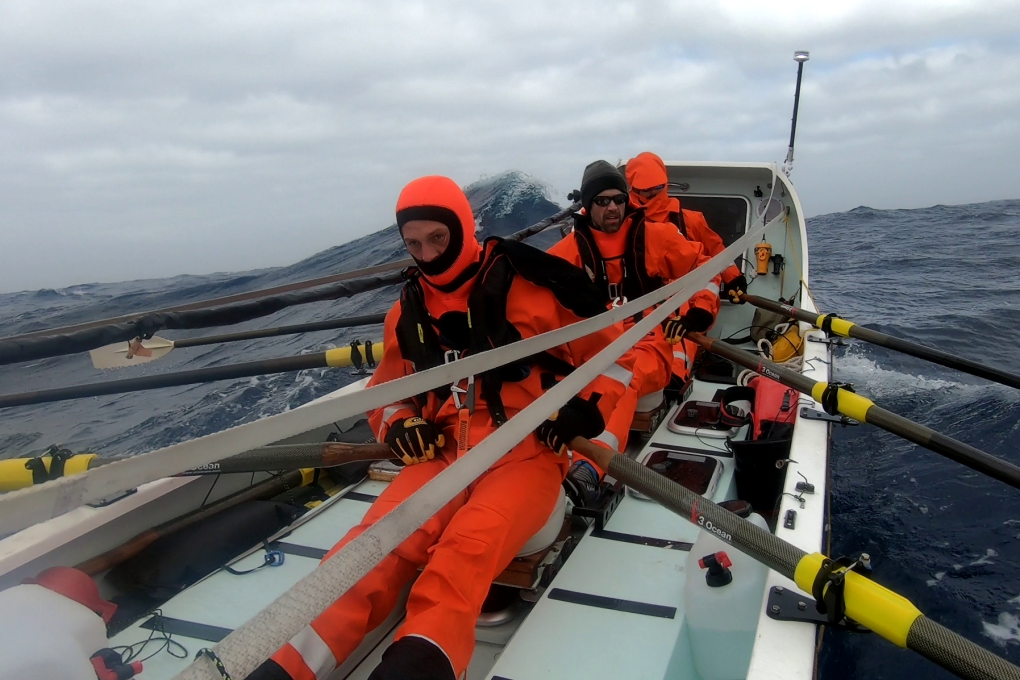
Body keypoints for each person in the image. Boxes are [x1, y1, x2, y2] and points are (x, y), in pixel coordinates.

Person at [252, 176, 636, 680]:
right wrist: (403, 423)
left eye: (438, 238)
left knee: (462, 558)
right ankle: (278, 669)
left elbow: (616, 357)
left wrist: (585, 409)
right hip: (440, 457)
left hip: (526, 452)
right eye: (414, 244)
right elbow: (386, 396)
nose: (428, 255)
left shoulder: (538, 284)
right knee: (367, 550)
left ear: (462, 229)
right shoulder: (405, 314)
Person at [548, 161, 721, 496]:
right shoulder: (564, 255)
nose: (612, 206)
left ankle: (588, 470)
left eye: (618, 198)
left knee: (620, 378)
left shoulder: (657, 238)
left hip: (649, 346)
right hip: (590, 351)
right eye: (602, 200)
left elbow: (706, 269)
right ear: (588, 205)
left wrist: (698, 312)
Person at [625, 151, 748, 303]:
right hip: (642, 308)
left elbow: (717, 251)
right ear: (634, 189)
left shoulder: (692, 220)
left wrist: (734, 279)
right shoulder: (625, 224)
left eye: (658, 186)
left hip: (691, 308)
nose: (653, 193)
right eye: (646, 189)